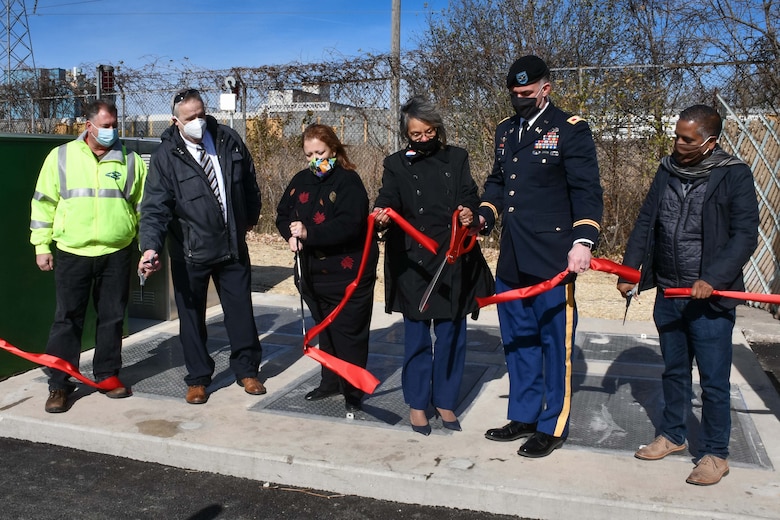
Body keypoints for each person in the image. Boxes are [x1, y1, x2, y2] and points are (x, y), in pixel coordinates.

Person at [617, 104, 759, 486]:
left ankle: (715, 453)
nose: (678, 143)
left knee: (713, 380)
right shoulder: (667, 169)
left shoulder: (734, 174)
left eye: (687, 139)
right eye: (677, 135)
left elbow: (746, 234)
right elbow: (647, 221)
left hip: (709, 298)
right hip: (670, 290)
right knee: (674, 371)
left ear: (710, 142)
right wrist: (631, 272)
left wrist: (712, 277)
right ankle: (673, 435)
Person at [477, 55, 603, 457]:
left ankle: (553, 425)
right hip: (513, 255)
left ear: (545, 89)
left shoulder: (571, 130)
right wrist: (484, 215)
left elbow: (586, 190)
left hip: (552, 257)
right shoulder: (505, 130)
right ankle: (524, 415)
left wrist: (583, 242)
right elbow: (498, 182)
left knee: (554, 344)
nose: (519, 100)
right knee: (518, 341)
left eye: (526, 93)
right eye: (514, 94)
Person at [374, 96, 494, 435]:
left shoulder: (457, 157)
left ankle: (444, 399)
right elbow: (389, 197)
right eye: (416, 135)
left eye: (429, 132)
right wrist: (382, 214)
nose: (424, 139)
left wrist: (470, 211)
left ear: (437, 128)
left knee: (452, 335)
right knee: (416, 337)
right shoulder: (395, 164)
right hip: (412, 261)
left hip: (452, 255)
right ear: (406, 134)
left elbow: (468, 193)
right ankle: (416, 403)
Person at [138, 88, 264, 405]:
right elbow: (155, 207)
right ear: (175, 121)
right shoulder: (167, 156)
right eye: (190, 117)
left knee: (240, 313)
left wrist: (250, 218)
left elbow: (249, 181)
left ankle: (247, 370)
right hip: (190, 251)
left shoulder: (227, 139)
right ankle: (197, 379)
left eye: (201, 114)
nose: (198, 121)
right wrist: (150, 247)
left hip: (232, 245)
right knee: (191, 318)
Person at [30, 100, 147, 413]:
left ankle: (108, 375)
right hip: (72, 252)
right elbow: (43, 204)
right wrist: (41, 245)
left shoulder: (131, 160)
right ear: (89, 125)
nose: (111, 131)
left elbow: (143, 207)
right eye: (105, 125)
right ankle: (59, 384)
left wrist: (146, 248)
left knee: (111, 317)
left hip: (116, 252)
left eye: (114, 125)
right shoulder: (61, 157)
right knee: (67, 318)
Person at [276, 124, 378, 412]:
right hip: (311, 273)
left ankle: (353, 389)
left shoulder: (349, 182)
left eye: (320, 152)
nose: (314, 160)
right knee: (326, 331)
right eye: (309, 154)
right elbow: (283, 214)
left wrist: (310, 234)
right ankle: (330, 381)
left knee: (349, 333)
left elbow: (350, 224)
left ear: (333, 149)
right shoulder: (300, 181)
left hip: (347, 274)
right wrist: (291, 235)